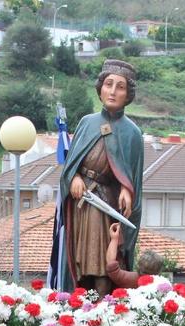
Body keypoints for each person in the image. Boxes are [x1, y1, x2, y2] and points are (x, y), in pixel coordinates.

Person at [51, 59, 145, 294]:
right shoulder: (87, 123)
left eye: (120, 87)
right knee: (81, 260)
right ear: (100, 88)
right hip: (82, 204)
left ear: (128, 94)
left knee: (106, 262)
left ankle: (103, 305)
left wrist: (127, 188)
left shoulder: (132, 133)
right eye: (108, 84)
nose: (113, 91)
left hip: (108, 204)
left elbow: (133, 175)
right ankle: (78, 302)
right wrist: (74, 178)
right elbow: (70, 166)